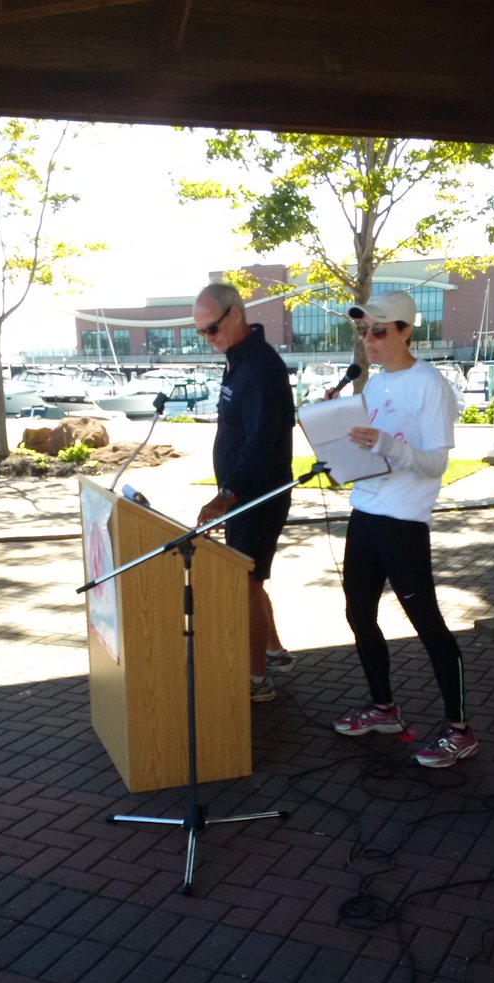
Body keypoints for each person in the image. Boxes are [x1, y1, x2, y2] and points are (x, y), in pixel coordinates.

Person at [331, 290, 478, 768]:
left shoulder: (428, 384)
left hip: (404, 521)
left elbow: (436, 463)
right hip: (365, 512)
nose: (369, 340)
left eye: (379, 330)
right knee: (358, 613)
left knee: (428, 625)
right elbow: (369, 452)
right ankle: (384, 709)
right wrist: (338, 456)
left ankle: (460, 729)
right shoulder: (371, 386)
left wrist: (389, 446)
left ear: (405, 332)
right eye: (363, 331)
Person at [194, 282, 295, 702]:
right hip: (243, 495)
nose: (209, 339)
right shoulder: (237, 359)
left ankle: (257, 680)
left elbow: (260, 444)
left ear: (236, 314)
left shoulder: (261, 368)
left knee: (246, 582)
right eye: (201, 332)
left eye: (212, 329)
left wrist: (227, 495)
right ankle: (273, 650)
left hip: (257, 496)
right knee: (252, 577)